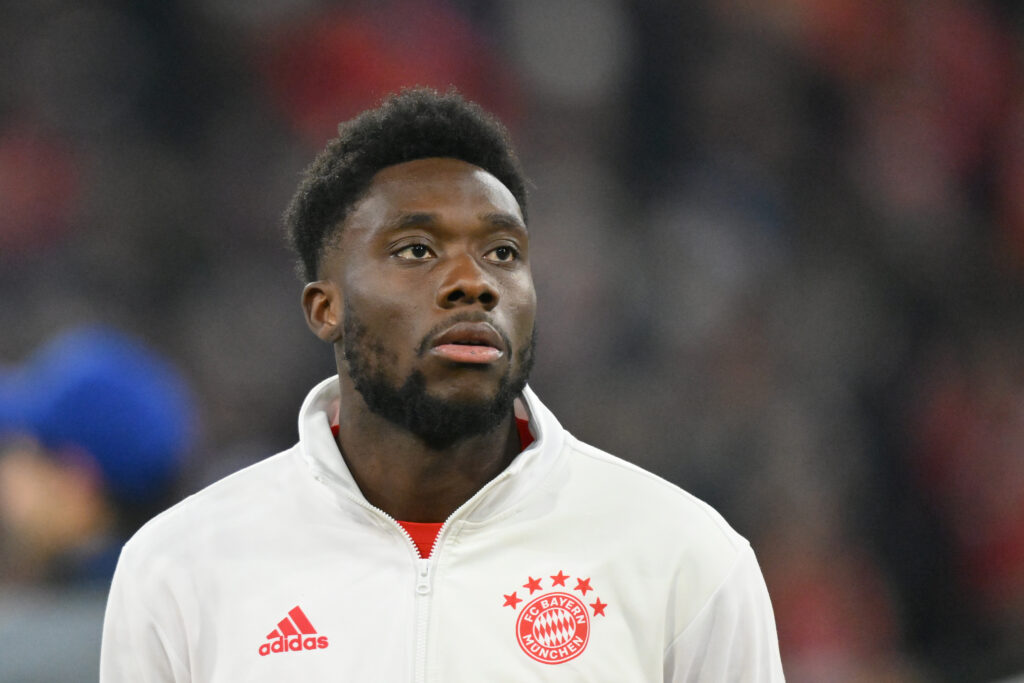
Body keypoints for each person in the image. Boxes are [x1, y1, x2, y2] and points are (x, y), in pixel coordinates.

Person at [100, 88, 785, 681]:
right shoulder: (181, 566)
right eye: (416, 251)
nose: (474, 283)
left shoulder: (683, 557)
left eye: (503, 253)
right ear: (325, 307)